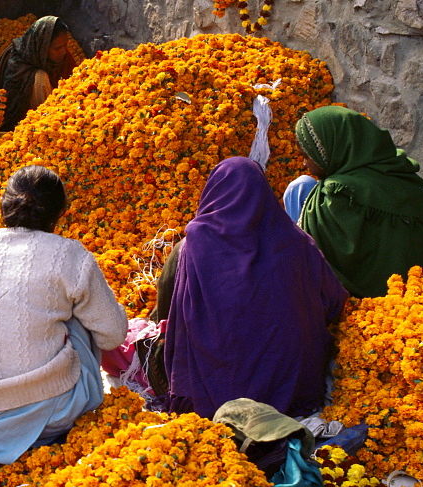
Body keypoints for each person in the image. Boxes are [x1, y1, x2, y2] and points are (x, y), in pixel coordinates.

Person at [0, 165, 127, 465]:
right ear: (59, 212)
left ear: (4, 205)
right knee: (77, 318)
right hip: (55, 411)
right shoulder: (70, 255)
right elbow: (112, 335)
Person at [146, 157, 347, 419]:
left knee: (152, 341)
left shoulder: (195, 243)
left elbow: (167, 312)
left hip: (215, 390)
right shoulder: (296, 241)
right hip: (296, 386)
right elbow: (334, 302)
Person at [285, 105, 423, 298]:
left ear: (330, 149)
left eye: (307, 156)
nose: (304, 163)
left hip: (383, 296)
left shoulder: (336, 195)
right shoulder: (397, 169)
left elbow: (331, 261)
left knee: (301, 188)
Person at [0, 16, 76, 131]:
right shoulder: (20, 60)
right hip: (28, 121)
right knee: (40, 78)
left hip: (64, 114)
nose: (63, 51)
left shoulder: (65, 57)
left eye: (65, 45)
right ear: (43, 47)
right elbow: (13, 102)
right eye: (57, 48)